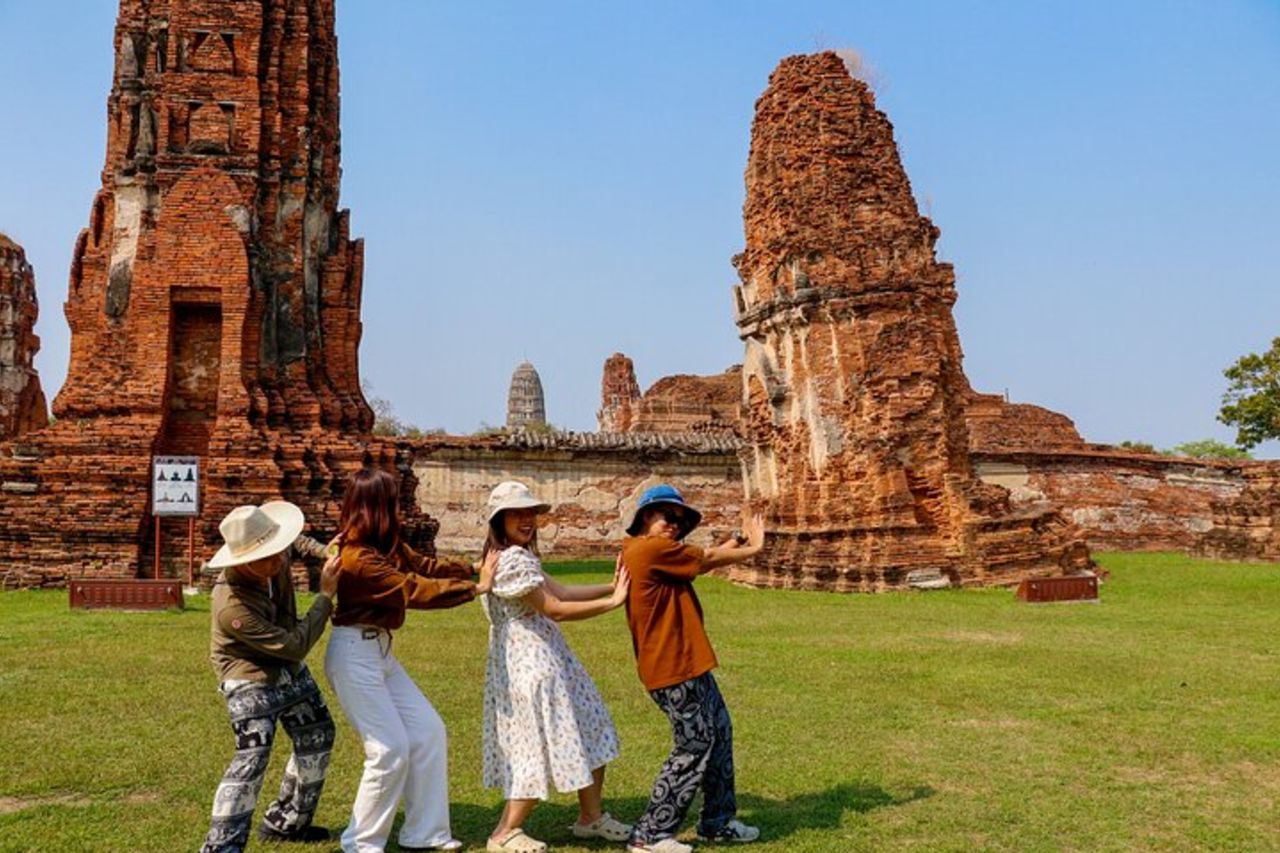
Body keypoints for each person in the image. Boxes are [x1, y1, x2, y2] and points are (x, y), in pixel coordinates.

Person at [323, 467, 497, 853]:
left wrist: (469, 567)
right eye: (394, 501)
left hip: (379, 651)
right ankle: (361, 844)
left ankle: (424, 833)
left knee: (428, 732)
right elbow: (413, 590)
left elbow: (423, 566)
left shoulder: (383, 546)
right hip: (354, 654)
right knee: (388, 749)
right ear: (377, 507)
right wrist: (475, 588)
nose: (400, 508)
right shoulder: (357, 559)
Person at [480, 481, 632, 853]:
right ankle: (503, 834)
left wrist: (608, 586)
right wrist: (614, 602)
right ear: (499, 520)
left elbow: (561, 592)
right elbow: (556, 609)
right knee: (539, 743)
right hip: (530, 661)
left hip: (546, 655)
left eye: (530, 512)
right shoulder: (511, 560)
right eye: (517, 513)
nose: (527, 520)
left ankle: (590, 817)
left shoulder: (517, 555)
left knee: (590, 724)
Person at [621, 485, 766, 853]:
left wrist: (737, 540)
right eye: (665, 515)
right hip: (671, 667)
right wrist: (756, 547)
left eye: (679, 519)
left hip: (688, 662)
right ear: (643, 518)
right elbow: (704, 559)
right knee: (694, 744)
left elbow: (701, 559)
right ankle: (650, 834)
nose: (673, 523)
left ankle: (716, 822)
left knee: (719, 732)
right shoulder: (647, 548)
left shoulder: (659, 553)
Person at [201, 500, 341, 853]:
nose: (278, 561)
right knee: (253, 753)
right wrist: (325, 596)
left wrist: (326, 550)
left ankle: (287, 823)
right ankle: (222, 847)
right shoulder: (232, 605)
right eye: (268, 557)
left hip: (286, 669)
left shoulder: (271, 551)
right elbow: (293, 646)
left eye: (278, 552)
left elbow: (296, 543)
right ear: (242, 561)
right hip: (247, 673)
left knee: (318, 733)